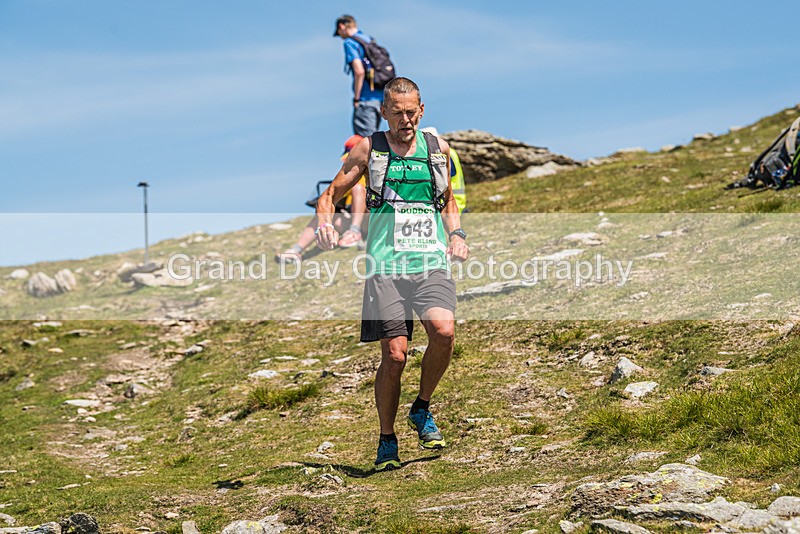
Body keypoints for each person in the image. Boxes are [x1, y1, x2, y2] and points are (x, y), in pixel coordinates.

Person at [315, 77, 470, 471]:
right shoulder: (371, 149)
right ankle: (387, 439)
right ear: (384, 112)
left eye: (412, 111)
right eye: (397, 112)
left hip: (430, 262)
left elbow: (448, 198)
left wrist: (457, 234)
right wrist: (326, 222)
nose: (406, 119)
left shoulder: (438, 149)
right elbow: (329, 194)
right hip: (386, 267)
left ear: (422, 109)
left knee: (445, 333)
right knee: (395, 355)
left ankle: (421, 408)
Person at [275, 135, 367, 263]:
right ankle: (296, 251)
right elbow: (332, 199)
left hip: (375, 220)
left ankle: (354, 232)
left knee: (358, 188)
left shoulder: (378, 171)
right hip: (356, 220)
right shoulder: (348, 174)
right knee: (327, 216)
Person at [333, 14, 384, 137]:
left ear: (341, 26)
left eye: (339, 33)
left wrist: (356, 98)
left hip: (366, 100)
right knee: (374, 140)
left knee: (365, 143)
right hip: (380, 100)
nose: (340, 37)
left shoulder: (350, 42)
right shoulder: (369, 40)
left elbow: (359, 71)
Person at [420, 127, 467, 213]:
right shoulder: (450, 152)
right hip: (456, 203)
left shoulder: (441, 153)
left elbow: (443, 177)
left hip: (450, 204)